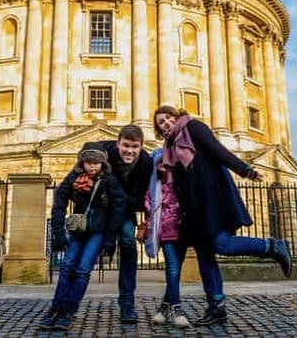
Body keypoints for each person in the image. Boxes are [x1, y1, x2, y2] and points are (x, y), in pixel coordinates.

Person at [153, 105, 292, 326]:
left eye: (168, 118)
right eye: (161, 122)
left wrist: (245, 170)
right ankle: (216, 307)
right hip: (193, 207)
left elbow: (218, 151)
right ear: (159, 130)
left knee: (221, 244)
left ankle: (272, 247)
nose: (166, 123)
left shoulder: (193, 127)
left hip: (212, 198)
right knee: (205, 255)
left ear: (176, 116)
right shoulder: (168, 147)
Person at [40, 142, 127, 331]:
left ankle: (68, 311)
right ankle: (56, 308)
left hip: (98, 231)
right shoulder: (74, 177)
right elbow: (59, 200)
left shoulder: (109, 180)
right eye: (89, 161)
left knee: (82, 270)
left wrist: (111, 238)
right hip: (79, 230)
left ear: (103, 163)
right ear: (82, 162)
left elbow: (119, 207)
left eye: (97, 162)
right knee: (66, 268)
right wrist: (58, 232)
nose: (93, 165)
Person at [95, 124, 153, 323]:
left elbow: (147, 194)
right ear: (117, 143)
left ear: (141, 147)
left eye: (135, 146)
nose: (130, 150)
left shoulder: (146, 163)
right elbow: (85, 155)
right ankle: (65, 305)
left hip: (126, 210)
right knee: (84, 252)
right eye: (125, 145)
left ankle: (127, 304)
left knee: (128, 243)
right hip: (102, 209)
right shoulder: (104, 152)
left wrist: (146, 220)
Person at [140, 148, 189, 328]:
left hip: (184, 231)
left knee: (175, 270)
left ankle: (164, 307)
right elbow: (147, 205)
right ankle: (177, 308)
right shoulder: (155, 186)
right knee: (173, 268)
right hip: (166, 232)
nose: (164, 166)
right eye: (160, 163)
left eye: (167, 163)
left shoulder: (182, 182)